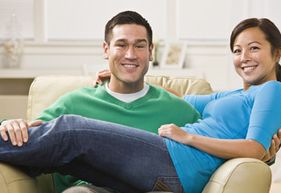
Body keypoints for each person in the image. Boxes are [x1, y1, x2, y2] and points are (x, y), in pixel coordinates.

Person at [0, 17, 281, 193]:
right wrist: (117, 72)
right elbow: (180, 97)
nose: (244, 57)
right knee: (70, 156)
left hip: (175, 161)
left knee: (71, 129)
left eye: (254, 48)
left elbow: (255, 148)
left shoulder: (273, 91)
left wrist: (189, 137)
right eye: (237, 50)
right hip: (170, 168)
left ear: (277, 52)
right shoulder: (233, 96)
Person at [0, 11, 200, 193]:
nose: (130, 55)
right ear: (106, 49)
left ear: (150, 51)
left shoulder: (179, 110)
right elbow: (35, 140)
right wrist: (8, 125)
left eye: (139, 46)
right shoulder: (74, 102)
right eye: (121, 45)